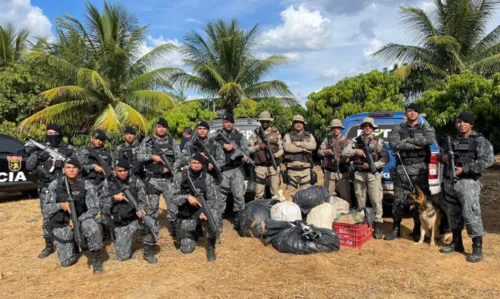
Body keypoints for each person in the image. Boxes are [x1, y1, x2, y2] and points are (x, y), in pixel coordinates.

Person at [439, 112, 493, 263]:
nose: (461, 124)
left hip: (468, 182)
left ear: (471, 124)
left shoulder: (479, 141)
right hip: (450, 182)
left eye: (464, 122)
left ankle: (477, 247)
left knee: (471, 214)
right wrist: (443, 158)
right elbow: (441, 155)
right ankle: (456, 243)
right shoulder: (451, 140)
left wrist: (464, 169)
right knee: (453, 214)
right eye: (458, 122)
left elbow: (486, 161)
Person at [26, 124, 79, 259]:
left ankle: (74, 242)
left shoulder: (69, 149)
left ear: (60, 134)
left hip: (65, 186)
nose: (52, 135)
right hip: (47, 188)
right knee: (48, 217)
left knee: (71, 214)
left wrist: (67, 164)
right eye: (49, 133)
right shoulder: (40, 149)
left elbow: (81, 165)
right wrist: (39, 155)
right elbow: (29, 166)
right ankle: (49, 245)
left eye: (55, 132)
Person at [385, 104, 436, 241]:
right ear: (406, 113)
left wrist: (407, 140)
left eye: (415, 111)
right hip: (403, 169)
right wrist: (415, 146)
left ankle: (418, 230)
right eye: (409, 110)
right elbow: (394, 144)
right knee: (398, 201)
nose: (412, 113)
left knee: (421, 201)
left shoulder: (425, 128)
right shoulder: (398, 128)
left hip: (420, 171)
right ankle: (395, 229)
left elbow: (430, 140)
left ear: (419, 114)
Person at [43, 158, 103, 274]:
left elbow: (94, 208)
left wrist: (78, 220)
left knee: (92, 227)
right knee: (66, 262)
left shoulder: (86, 185)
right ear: (63, 170)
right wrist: (60, 205)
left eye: (74, 168)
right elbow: (46, 209)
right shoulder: (55, 185)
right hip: (63, 221)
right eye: (68, 168)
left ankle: (96, 258)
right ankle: (74, 244)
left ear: (79, 170)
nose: (71, 170)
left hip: (82, 218)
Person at [100, 158, 158, 263]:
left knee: (152, 223)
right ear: (114, 171)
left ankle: (148, 252)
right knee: (123, 257)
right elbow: (101, 205)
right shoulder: (107, 184)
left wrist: (142, 209)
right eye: (120, 171)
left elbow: (143, 201)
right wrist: (113, 199)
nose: (123, 173)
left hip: (135, 219)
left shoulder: (136, 181)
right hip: (120, 222)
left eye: (125, 170)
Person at [342, 117, 389, 239]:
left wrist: (374, 165)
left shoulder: (378, 141)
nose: (367, 127)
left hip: (373, 175)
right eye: (365, 125)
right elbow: (344, 153)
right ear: (362, 128)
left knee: (376, 200)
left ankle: (377, 225)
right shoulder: (355, 141)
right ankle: (363, 224)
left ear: (373, 128)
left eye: (369, 126)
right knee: (360, 200)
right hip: (359, 175)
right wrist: (355, 151)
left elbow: (385, 158)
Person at [138, 117, 182, 238]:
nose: (161, 129)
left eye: (164, 127)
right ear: (155, 128)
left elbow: (180, 158)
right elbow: (139, 156)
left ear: (166, 129)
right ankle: (152, 231)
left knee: (173, 206)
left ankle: (175, 231)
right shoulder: (147, 141)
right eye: (159, 127)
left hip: (168, 180)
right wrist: (153, 157)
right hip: (153, 180)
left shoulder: (172, 141)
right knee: (152, 208)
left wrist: (172, 167)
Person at [172, 153, 220, 261]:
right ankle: (194, 233)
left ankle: (211, 247)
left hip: (203, 211)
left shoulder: (207, 178)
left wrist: (205, 212)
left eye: (199, 163)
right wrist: (187, 197)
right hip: (187, 213)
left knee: (214, 216)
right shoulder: (180, 176)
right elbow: (173, 198)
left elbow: (213, 200)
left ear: (203, 165)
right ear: (189, 163)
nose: (196, 165)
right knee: (186, 250)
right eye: (194, 162)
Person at [213, 113, 250, 231]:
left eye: (231, 122)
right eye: (226, 122)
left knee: (239, 197)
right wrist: (222, 146)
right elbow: (208, 145)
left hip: (236, 170)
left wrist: (245, 156)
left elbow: (245, 150)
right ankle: (218, 224)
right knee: (220, 198)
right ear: (223, 122)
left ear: (233, 123)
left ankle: (239, 223)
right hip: (221, 170)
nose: (229, 124)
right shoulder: (216, 135)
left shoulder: (239, 136)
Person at [248, 111, 283, 200]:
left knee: (275, 193)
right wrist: (258, 147)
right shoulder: (255, 133)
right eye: (263, 121)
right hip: (260, 167)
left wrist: (274, 155)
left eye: (267, 121)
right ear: (260, 121)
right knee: (259, 194)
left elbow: (282, 149)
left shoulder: (275, 132)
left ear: (269, 121)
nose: (265, 123)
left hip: (273, 166)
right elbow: (248, 149)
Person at [317, 119, 351, 203]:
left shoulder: (347, 141)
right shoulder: (327, 140)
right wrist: (326, 152)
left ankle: (346, 214)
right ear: (331, 129)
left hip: (343, 173)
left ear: (341, 129)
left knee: (345, 197)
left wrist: (344, 157)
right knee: (327, 197)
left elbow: (352, 155)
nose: (336, 129)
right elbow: (319, 152)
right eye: (334, 127)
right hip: (329, 173)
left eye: (338, 127)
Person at [283, 115, 317, 191]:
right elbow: (288, 148)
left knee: (306, 195)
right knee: (290, 194)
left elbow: (313, 146)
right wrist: (304, 149)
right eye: (296, 122)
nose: (298, 124)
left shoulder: (309, 135)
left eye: (300, 122)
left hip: (305, 169)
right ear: (293, 124)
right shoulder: (288, 135)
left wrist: (298, 143)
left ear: (303, 124)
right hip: (292, 169)